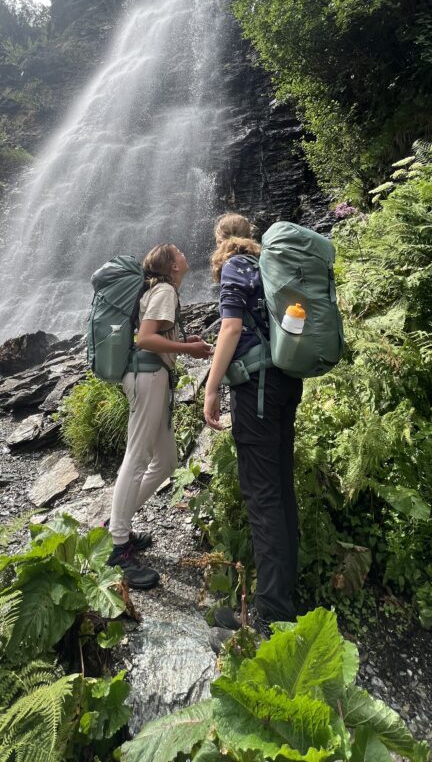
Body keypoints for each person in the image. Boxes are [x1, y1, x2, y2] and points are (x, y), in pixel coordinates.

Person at [203, 213, 303, 634]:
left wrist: (211, 389)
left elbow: (230, 327)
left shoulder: (234, 266)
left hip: (257, 389)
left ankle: (271, 617)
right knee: (279, 487)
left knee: (262, 496)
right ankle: (285, 596)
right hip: (285, 380)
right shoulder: (268, 264)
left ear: (221, 239)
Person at [107, 242, 212, 588]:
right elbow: (146, 339)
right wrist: (187, 349)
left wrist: (184, 339)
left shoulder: (160, 289)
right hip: (148, 377)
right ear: (172, 267)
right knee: (136, 458)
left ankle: (116, 524)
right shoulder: (165, 289)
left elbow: (157, 335)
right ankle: (118, 547)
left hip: (153, 377)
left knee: (166, 461)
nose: (185, 254)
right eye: (180, 252)